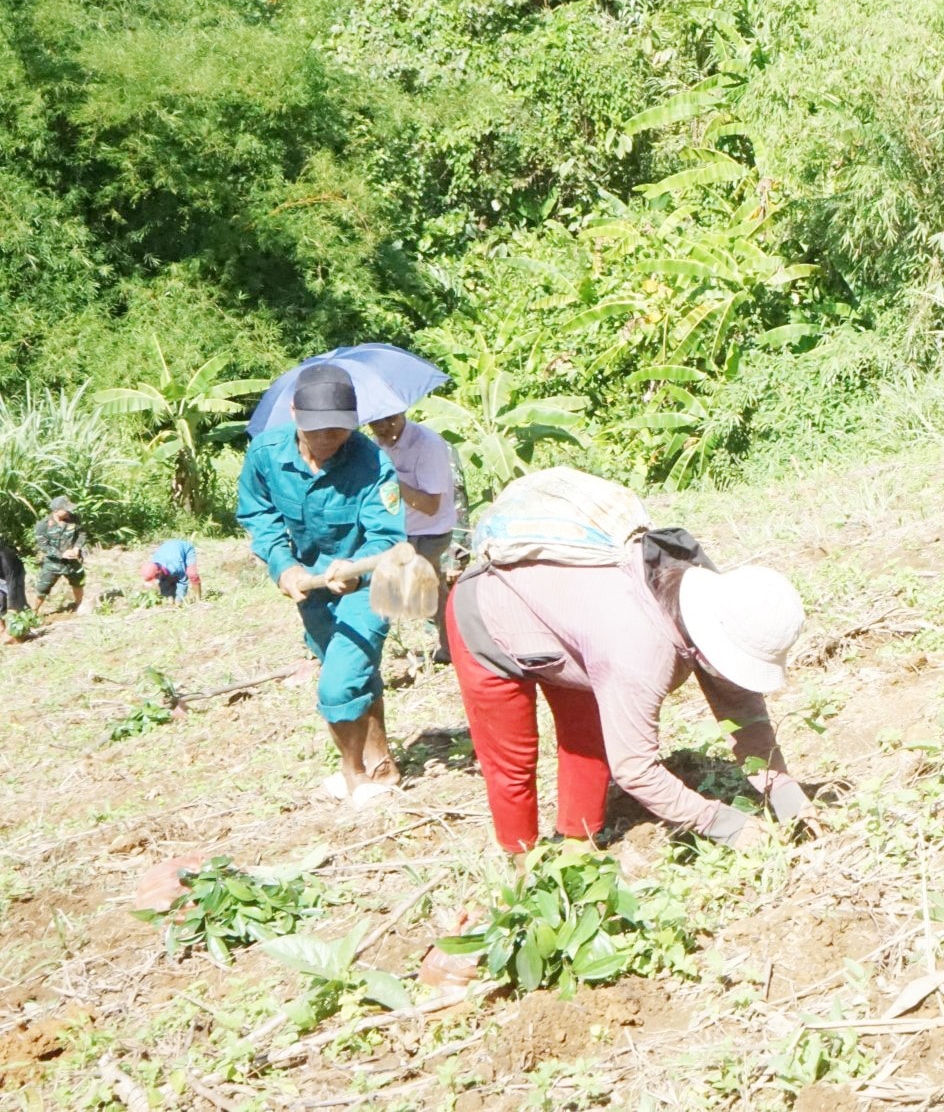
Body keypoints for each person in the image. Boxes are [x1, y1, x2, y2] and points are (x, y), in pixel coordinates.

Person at [445, 528, 815, 854]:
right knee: (514, 761)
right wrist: (719, 822)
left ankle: (579, 851)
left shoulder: (709, 601)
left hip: (572, 625)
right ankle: (522, 866)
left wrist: (786, 795)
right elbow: (635, 768)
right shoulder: (638, 651)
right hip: (486, 618)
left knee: (586, 740)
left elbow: (741, 708)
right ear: (707, 647)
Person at [237, 363, 408, 804]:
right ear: (294, 413)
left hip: (367, 587)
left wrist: (354, 569)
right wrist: (283, 565)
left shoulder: (372, 463)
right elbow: (258, 514)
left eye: (339, 430)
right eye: (318, 431)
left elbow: (388, 538)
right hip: (311, 589)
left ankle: (353, 776)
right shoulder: (266, 455)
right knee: (355, 669)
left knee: (338, 682)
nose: (329, 440)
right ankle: (382, 764)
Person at [365, 412, 457, 663]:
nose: (383, 428)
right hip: (399, 530)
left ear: (403, 412)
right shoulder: (375, 445)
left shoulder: (427, 444)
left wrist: (390, 480)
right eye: (375, 423)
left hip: (429, 532)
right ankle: (454, 647)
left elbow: (430, 506)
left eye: (390, 420)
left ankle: (455, 648)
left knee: (427, 590)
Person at [31, 497, 85, 615]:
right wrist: (62, 554)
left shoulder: (74, 519)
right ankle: (33, 612)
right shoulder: (43, 526)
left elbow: (81, 534)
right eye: (66, 510)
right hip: (53, 564)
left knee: (78, 583)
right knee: (42, 589)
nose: (69, 512)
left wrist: (77, 547)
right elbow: (44, 546)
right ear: (56, 511)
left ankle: (79, 604)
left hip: (72, 562)